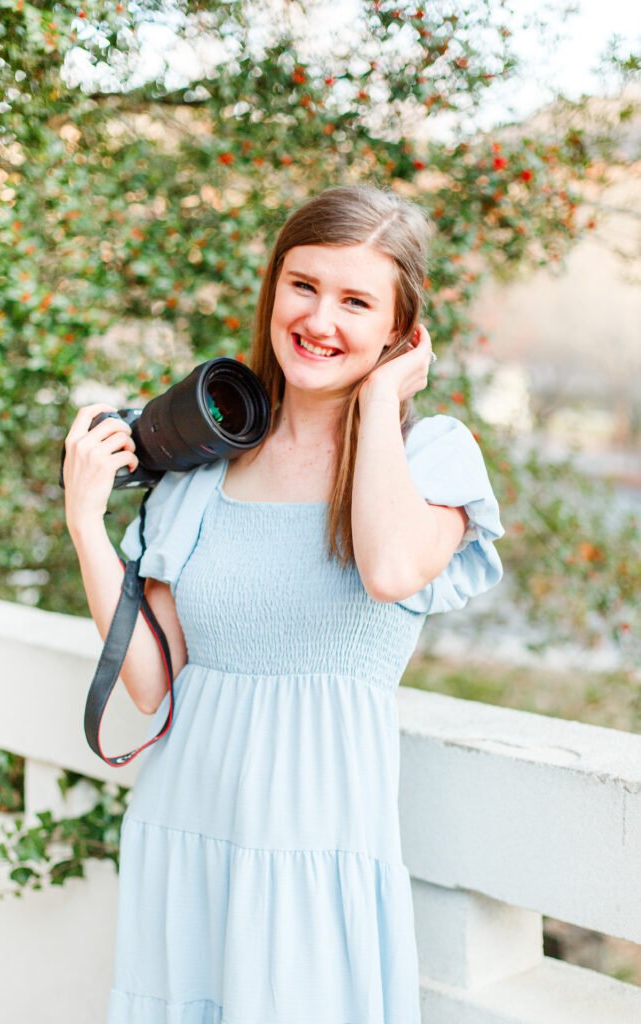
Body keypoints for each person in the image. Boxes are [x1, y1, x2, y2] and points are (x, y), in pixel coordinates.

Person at [63, 184, 504, 1024]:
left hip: (316, 847)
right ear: (271, 289)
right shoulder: (203, 467)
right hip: (186, 829)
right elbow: (157, 686)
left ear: (400, 332)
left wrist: (376, 402)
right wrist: (88, 524)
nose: (319, 319)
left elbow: (387, 569)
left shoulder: (432, 455)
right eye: (302, 285)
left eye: (355, 301)